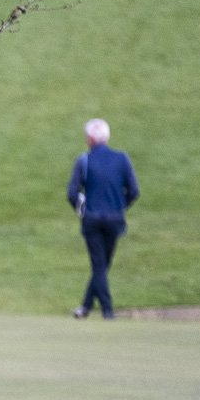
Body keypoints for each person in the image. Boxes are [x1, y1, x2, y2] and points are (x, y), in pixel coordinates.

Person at [66, 118, 139, 320]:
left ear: (90, 139)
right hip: (115, 219)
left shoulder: (84, 160)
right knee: (102, 265)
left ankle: (107, 311)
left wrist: (81, 209)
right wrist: (119, 205)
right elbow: (133, 191)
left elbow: (72, 193)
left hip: (92, 220)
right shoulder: (122, 159)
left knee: (100, 265)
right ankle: (87, 307)